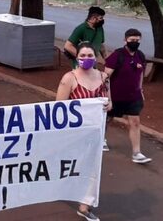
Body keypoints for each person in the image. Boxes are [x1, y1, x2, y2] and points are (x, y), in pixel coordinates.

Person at [56, 42, 111, 221]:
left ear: (95, 58)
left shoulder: (104, 78)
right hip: (74, 134)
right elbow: (59, 109)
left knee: (92, 167)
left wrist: (106, 106)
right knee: (72, 165)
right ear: (77, 57)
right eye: (83, 56)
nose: (86, 59)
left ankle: (84, 206)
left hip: (95, 134)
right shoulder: (69, 79)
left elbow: (110, 103)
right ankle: (62, 187)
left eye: (90, 56)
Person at [104, 28, 151, 164]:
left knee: (135, 122)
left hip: (133, 97)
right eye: (132, 40)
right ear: (125, 40)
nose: (135, 43)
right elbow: (106, 77)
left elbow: (141, 73)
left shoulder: (140, 56)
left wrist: (140, 90)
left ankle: (137, 153)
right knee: (107, 119)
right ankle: (101, 139)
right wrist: (108, 98)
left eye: (137, 40)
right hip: (116, 96)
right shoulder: (117, 55)